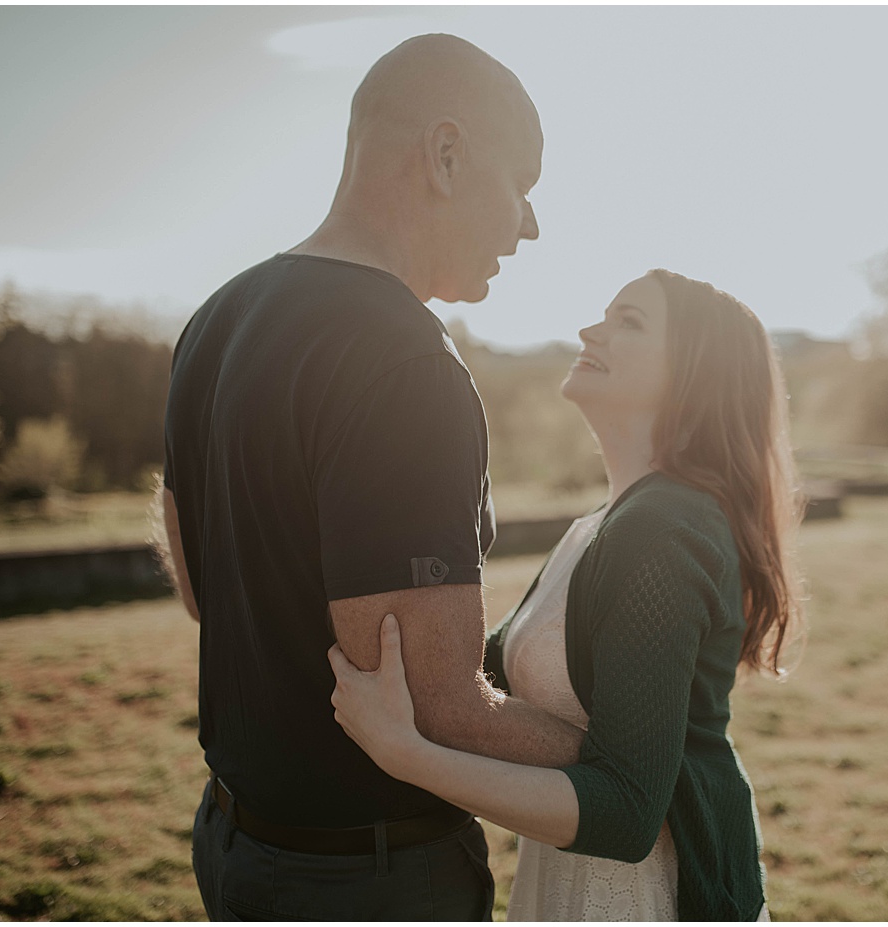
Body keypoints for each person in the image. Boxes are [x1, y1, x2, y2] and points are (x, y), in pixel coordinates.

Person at [160, 35, 585, 920]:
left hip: (234, 845)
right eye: (525, 186)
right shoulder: (405, 366)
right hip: (367, 880)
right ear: (445, 154)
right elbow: (436, 707)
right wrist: (629, 758)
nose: (531, 225)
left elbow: (204, 591)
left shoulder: (218, 317)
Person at [328, 269, 800, 921]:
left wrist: (409, 756)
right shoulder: (602, 522)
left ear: (698, 372)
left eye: (628, 321)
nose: (589, 330)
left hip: (644, 896)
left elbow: (630, 814)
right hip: (566, 881)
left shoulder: (662, 529)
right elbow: (484, 680)